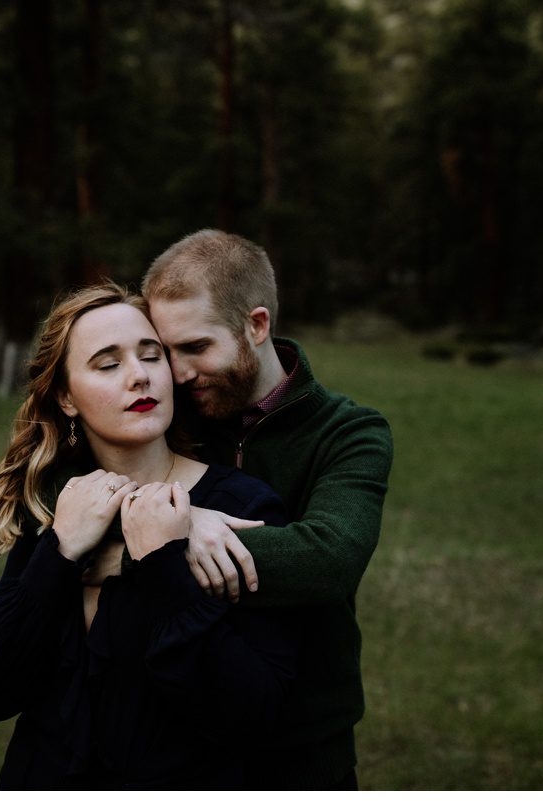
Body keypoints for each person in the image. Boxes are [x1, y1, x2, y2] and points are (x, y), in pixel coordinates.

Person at [0, 283, 296, 788]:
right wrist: (60, 551)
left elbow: (257, 712)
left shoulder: (240, 508)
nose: (139, 376)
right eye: (107, 364)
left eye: (151, 356)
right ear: (67, 397)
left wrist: (164, 563)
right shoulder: (57, 507)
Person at [141, 229, 393, 791]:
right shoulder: (169, 413)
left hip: (299, 747)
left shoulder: (349, 432)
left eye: (196, 347)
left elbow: (329, 557)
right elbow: (65, 485)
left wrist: (171, 539)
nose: (177, 374)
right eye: (166, 351)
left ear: (256, 326)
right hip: (177, 733)